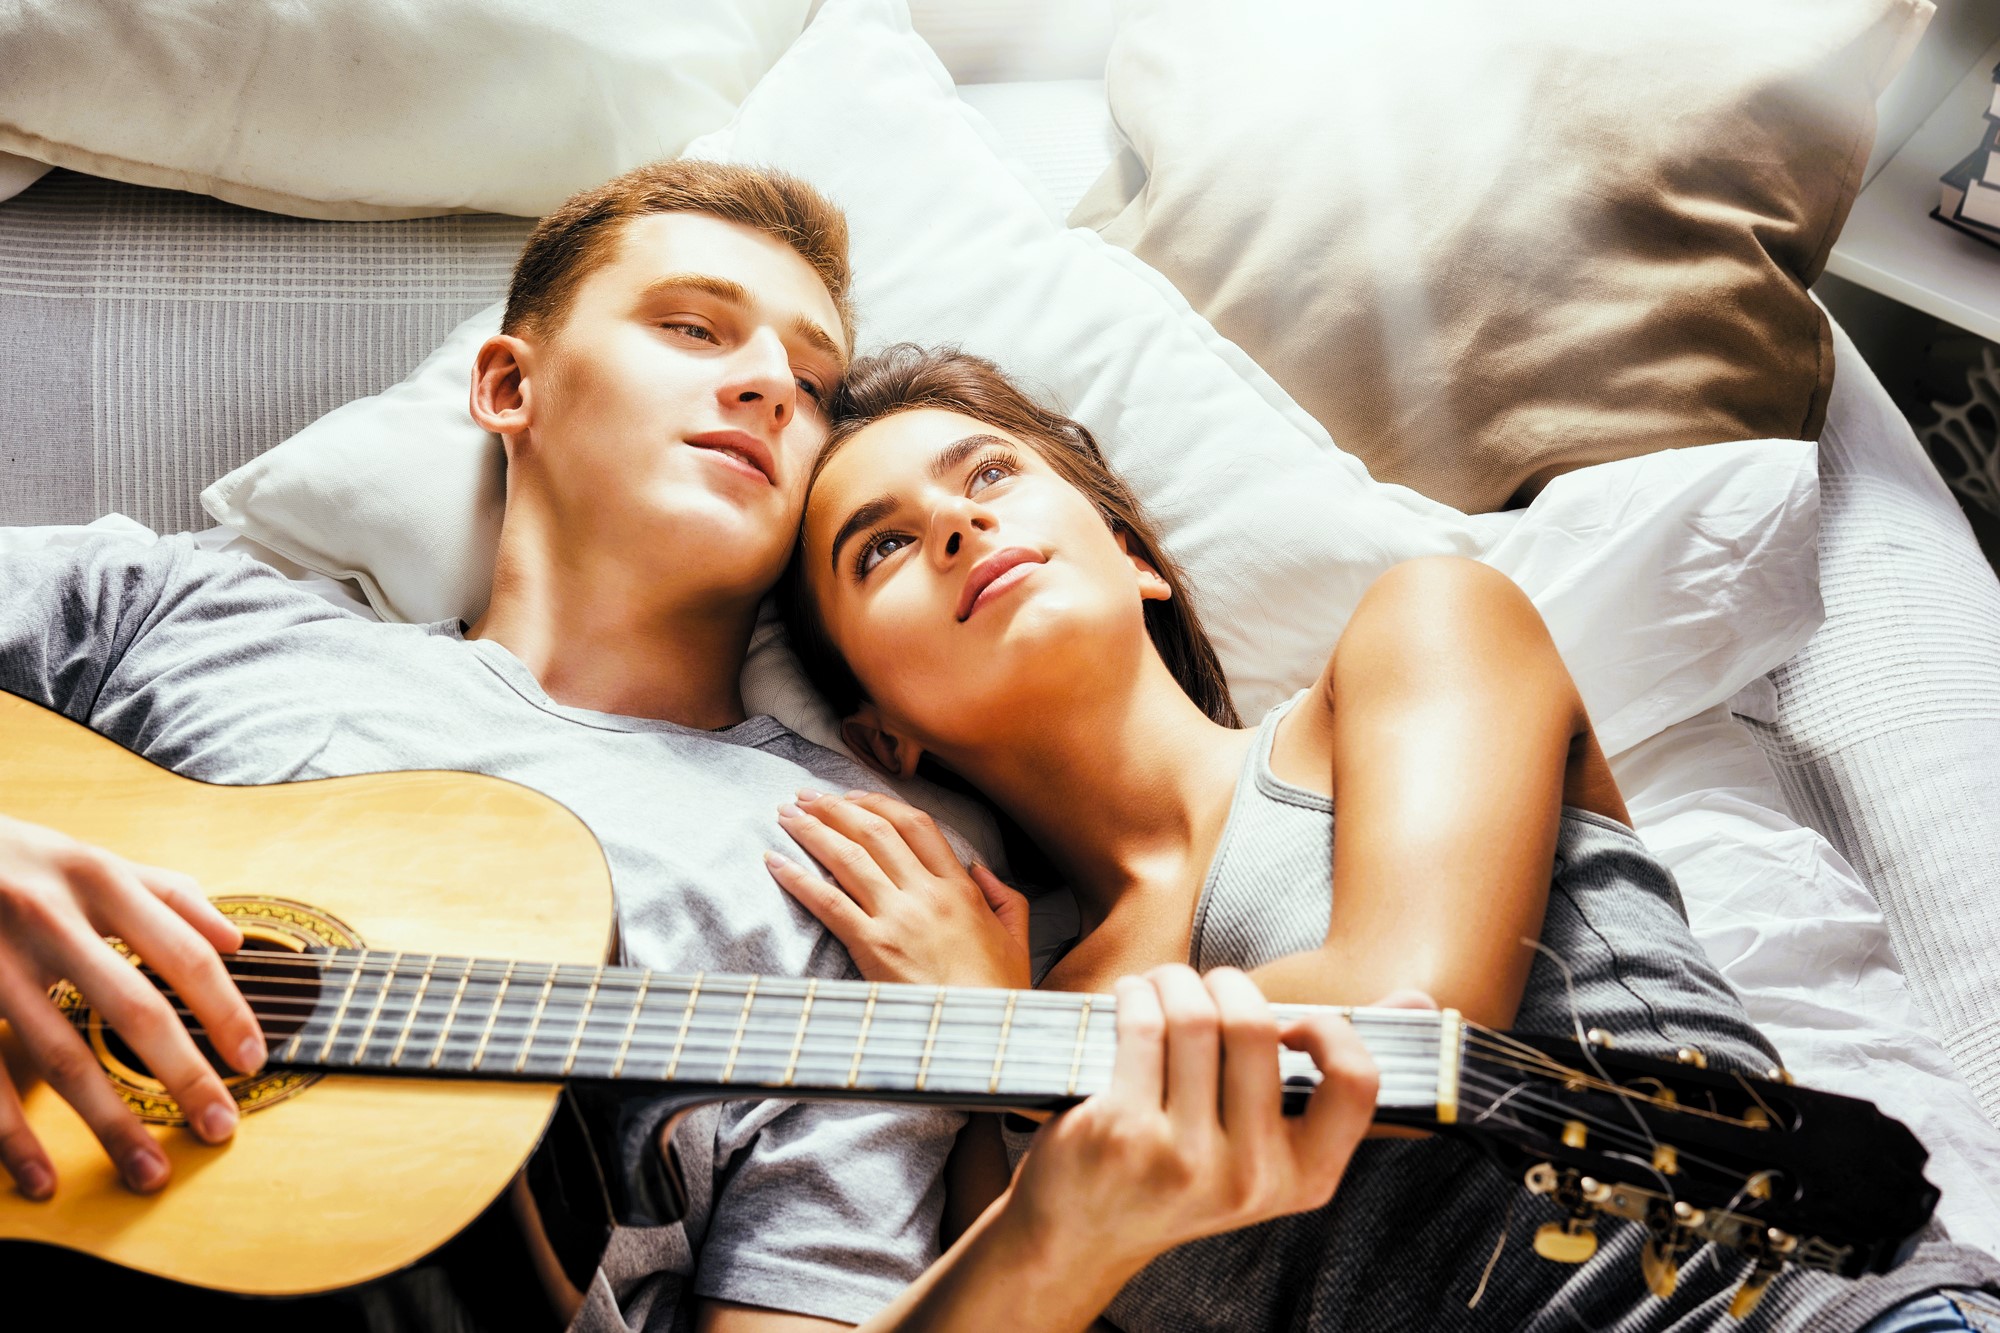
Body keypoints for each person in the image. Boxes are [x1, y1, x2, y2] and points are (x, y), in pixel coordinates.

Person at [0, 163, 1380, 1333]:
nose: (774, 384)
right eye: (694, 327)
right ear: (505, 385)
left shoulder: (863, 875)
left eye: (815, 376)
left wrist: (1049, 1224)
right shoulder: (173, 609)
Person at [766, 343, 2000, 1331]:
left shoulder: (1418, 636)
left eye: (987, 476)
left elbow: (1408, 1017)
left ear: (1134, 554)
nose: (953, 526)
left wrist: (998, 1033)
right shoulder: (993, 1095)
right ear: (883, 738)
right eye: (879, 546)